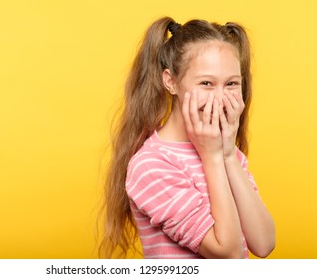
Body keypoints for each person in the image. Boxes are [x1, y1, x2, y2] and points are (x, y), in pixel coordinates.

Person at [99, 16, 275, 259]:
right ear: (171, 82)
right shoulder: (151, 165)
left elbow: (264, 243)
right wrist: (213, 157)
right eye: (206, 83)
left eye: (231, 83)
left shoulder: (225, 150)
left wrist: (226, 155)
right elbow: (228, 255)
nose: (220, 98)